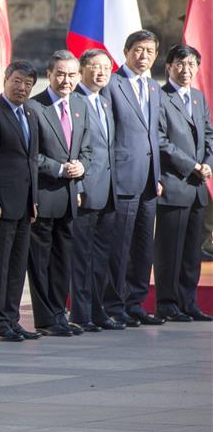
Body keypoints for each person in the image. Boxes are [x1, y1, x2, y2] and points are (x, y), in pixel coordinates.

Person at [27, 50, 92, 337]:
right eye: (60, 74)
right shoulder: (34, 107)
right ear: (49, 75)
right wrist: (59, 168)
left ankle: (58, 314)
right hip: (43, 196)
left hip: (68, 198)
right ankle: (45, 319)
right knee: (40, 262)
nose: (66, 80)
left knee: (62, 259)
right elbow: (30, 155)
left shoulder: (80, 104)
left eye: (71, 75)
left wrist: (82, 166)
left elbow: (88, 149)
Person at [104, 30, 165, 326]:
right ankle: (114, 303)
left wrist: (159, 175)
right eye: (139, 50)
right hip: (123, 178)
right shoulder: (112, 83)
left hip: (149, 181)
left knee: (143, 245)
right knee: (120, 245)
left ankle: (136, 302)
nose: (144, 57)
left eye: (150, 51)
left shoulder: (154, 87)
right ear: (127, 51)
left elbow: (154, 134)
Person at [0, 61, 40, 342]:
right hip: (2, 205)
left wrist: (34, 199)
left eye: (28, 83)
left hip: (25, 203)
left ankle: (12, 318)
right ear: (5, 80)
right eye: (17, 81)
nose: (22, 87)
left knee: (17, 266)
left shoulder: (29, 112)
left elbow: (31, 160)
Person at [155, 44, 213, 322]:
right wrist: (191, 166)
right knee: (170, 250)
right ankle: (167, 303)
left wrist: (208, 164)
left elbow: (209, 135)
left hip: (198, 188)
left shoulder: (199, 98)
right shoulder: (160, 97)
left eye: (191, 65)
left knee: (192, 251)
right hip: (174, 184)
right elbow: (160, 140)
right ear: (169, 67)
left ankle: (188, 302)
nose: (186, 70)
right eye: (180, 64)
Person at [70, 50, 123, 331]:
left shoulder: (103, 101)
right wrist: (77, 186)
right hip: (85, 191)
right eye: (95, 67)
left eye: (107, 67)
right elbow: (73, 149)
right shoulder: (74, 101)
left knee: (101, 255)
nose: (102, 72)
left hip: (107, 191)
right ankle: (80, 313)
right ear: (82, 69)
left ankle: (97, 309)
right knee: (81, 256)